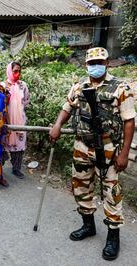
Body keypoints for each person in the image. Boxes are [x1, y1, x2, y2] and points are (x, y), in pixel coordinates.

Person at [49, 47, 136, 261]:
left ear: (107, 63)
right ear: (86, 65)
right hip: (82, 145)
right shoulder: (80, 86)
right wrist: (57, 125)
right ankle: (88, 225)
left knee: (111, 192)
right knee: (81, 186)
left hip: (108, 148)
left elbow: (129, 121)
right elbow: (67, 107)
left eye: (99, 61)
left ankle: (113, 237)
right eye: (91, 63)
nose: (95, 66)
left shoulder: (121, 88)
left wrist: (124, 153)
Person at [3, 62, 30, 178]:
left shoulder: (23, 85)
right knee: (3, 144)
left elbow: (26, 101)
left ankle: (16, 168)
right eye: (15, 71)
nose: (17, 74)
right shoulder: (2, 86)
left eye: (19, 71)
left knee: (19, 145)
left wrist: (19, 112)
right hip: (6, 121)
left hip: (20, 121)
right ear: (9, 71)